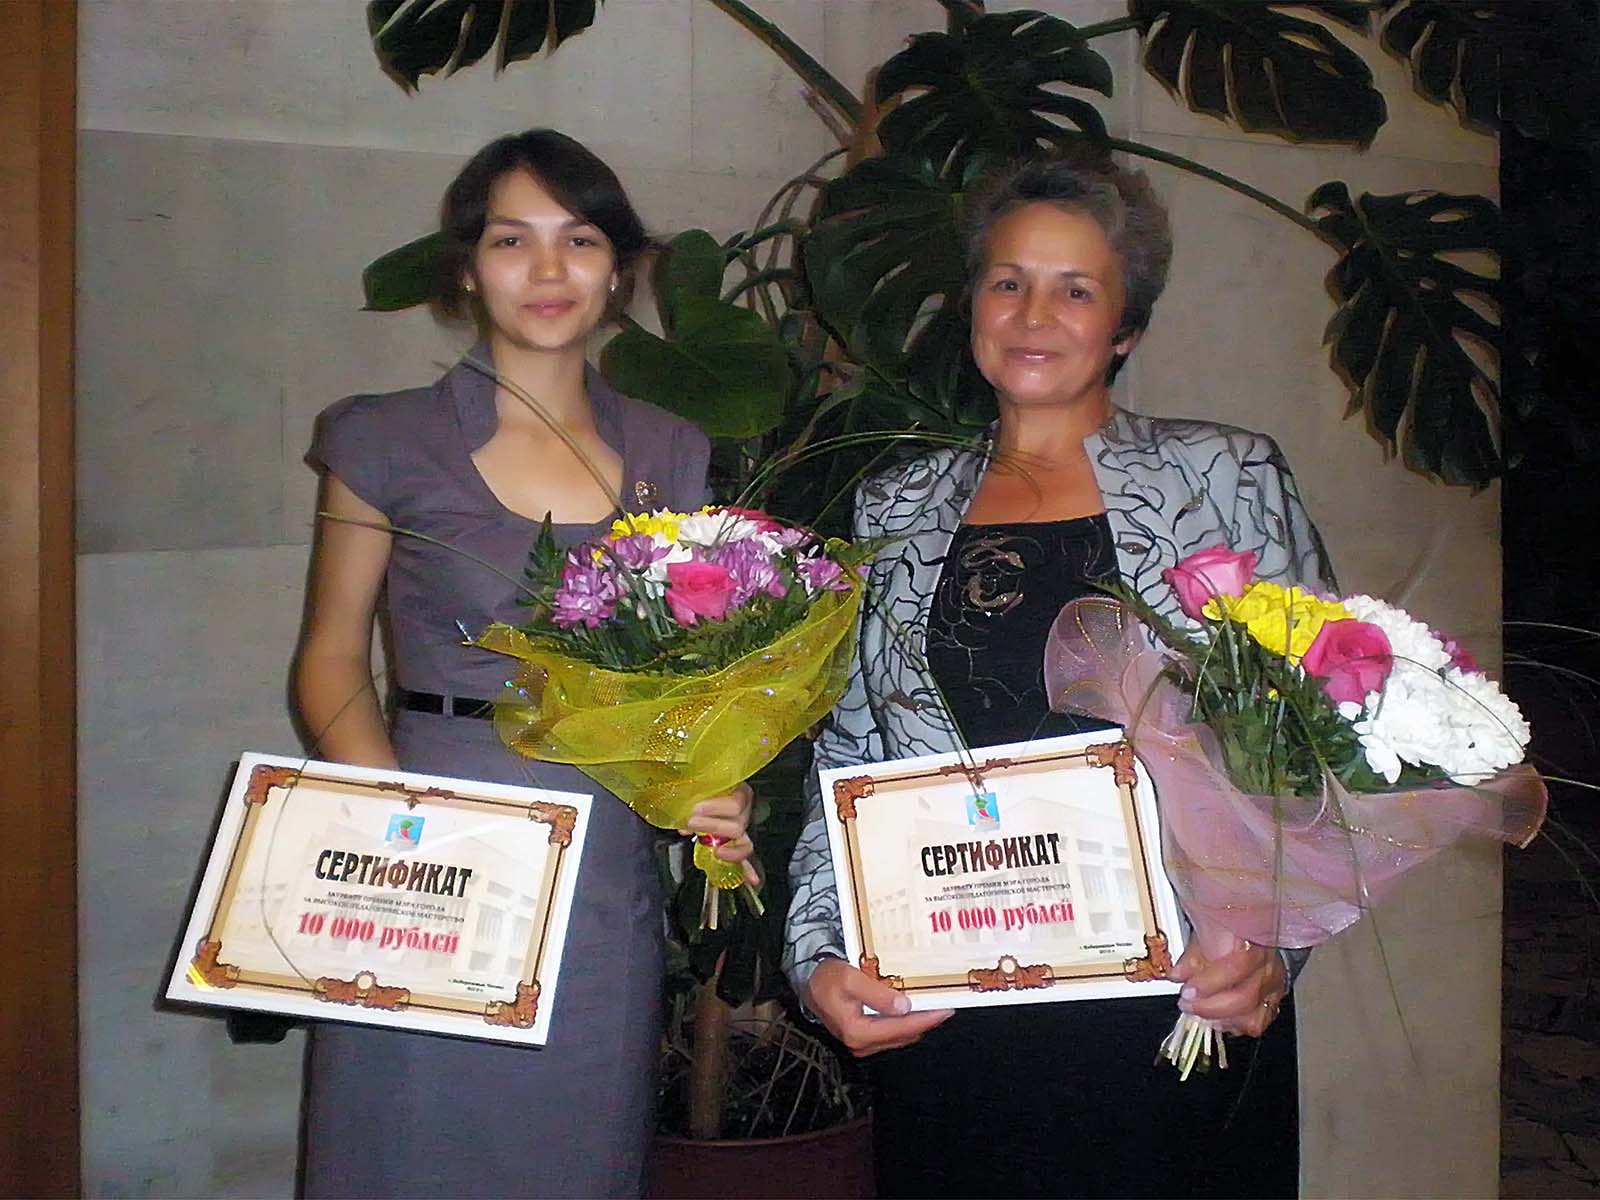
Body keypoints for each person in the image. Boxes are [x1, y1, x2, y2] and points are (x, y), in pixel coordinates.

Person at [784, 149, 1336, 1198]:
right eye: (1008, 281)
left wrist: (1274, 949)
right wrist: (818, 955)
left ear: (1125, 325)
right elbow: (846, 751)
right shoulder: (893, 508)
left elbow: (1310, 732)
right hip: (955, 989)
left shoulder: (1222, 476)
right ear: (973, 306)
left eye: (1075, 289)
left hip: (1178, 995)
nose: (1034, 314)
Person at [294, 129, 754, 1199]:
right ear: (467, 267)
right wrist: (400, 827)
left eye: (579, 239)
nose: (548, 270)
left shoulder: (672, 449)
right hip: (428, 830)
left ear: (618, 269)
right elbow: (329, 656)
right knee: (402, 1140)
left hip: (600, 850)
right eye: (512, 240)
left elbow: (681, 671)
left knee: (572, 1142)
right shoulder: (384, 438)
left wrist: (709, 782)